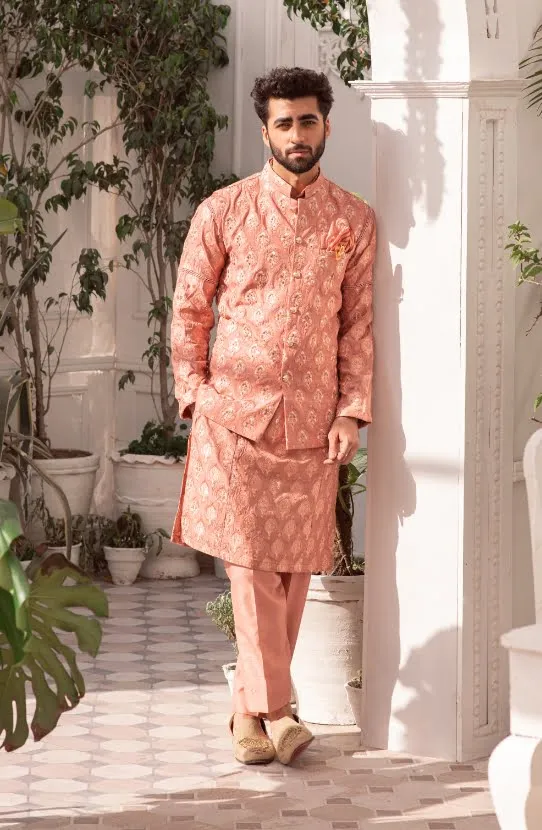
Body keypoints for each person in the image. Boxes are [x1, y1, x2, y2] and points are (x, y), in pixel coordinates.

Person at [171, 66, 376, 765]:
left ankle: (246, 717)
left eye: (308, 120)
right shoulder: (222, 211)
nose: (297, 134)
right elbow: (190, 309)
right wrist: (194, 392)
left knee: (293, 570)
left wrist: (352, 412)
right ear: (264, 130)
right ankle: (282, 710)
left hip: (313, 425)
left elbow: (358, 327)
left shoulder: (353, 221)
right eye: (284, 123)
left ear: (326, 125)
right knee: (252, 568)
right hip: (234, 417)